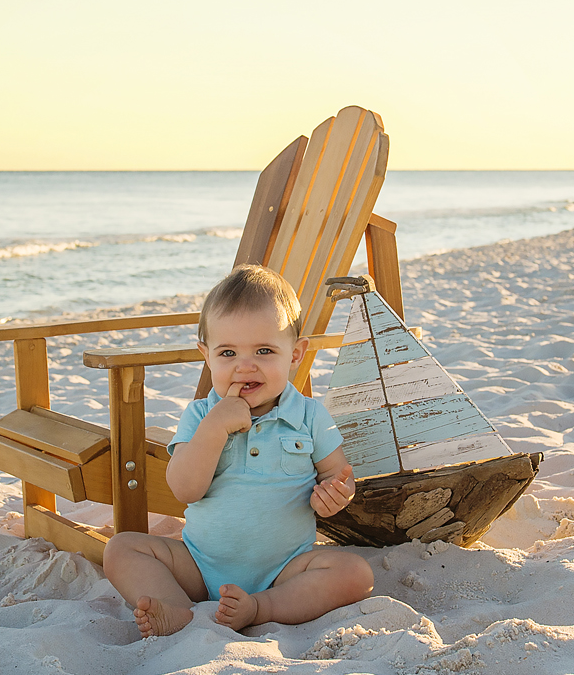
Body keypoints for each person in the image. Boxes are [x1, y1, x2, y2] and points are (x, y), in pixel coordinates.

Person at [103, 265, 375, 637]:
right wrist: (215, 427)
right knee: (121, 549)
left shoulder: (310, 415)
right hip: (199, 565)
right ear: (207, 355)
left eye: (264, 350)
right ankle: (179, 612)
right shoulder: (200, 415)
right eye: (228, 352)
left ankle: (260, 608)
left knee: (356, 574)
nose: (245, 366)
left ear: (295, 354)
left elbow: (337, 474)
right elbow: (185, 489)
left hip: (286, 569)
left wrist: (334, 495)